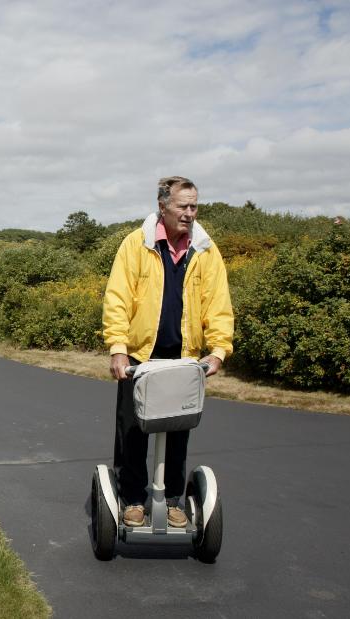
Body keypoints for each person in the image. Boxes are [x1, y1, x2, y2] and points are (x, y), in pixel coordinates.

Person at [101, 176, 234, 528]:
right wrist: (118, 348)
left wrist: (218, 349)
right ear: (163, 207)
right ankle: (132, 498)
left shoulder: (204, 249)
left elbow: (218, 304)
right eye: (183, 206)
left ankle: (173, 498)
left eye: (194, 206)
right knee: (133, 431)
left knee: (178, 430)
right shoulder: (136, 244)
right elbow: (118, 298)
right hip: (139, 357)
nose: (190, 213)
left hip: (184, 358)